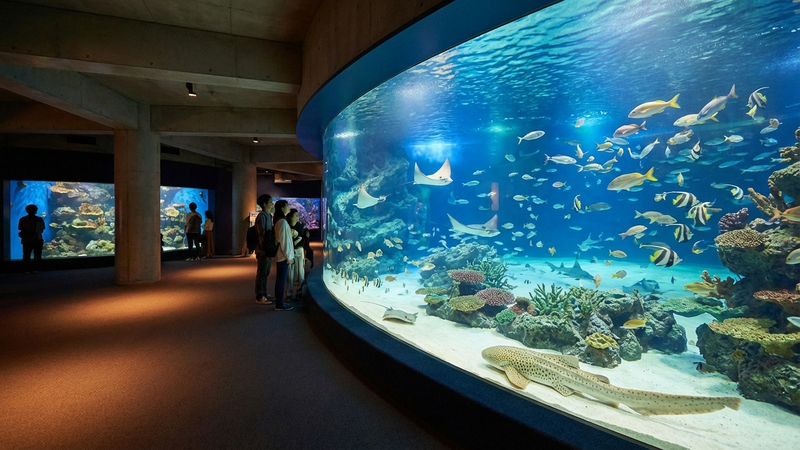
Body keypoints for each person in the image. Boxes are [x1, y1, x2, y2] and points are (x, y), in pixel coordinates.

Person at [272, 200, 295, 311]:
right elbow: (284, 242)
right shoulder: (282, 222)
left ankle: (279, 301)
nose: (288, 207)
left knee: (280, 280)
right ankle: (279, 304)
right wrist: (289, 257)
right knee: (281, 280)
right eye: (287, 205)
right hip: (283, 257)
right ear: (282, 208)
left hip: (282, 256)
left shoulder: (280, 221)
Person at [254, 194, 275, 304]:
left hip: (267, 249)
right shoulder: (262, 216)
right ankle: (260, 296)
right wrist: (264, 249)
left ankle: (264, 293)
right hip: (263, 250)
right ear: (264, 204)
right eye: (270, 201)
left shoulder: (268, 215)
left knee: (265, 273)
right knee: (262, 273)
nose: (272, 203)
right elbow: (262, 234)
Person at [18, 204, 45, 273]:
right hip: (37, 239)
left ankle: (26, 269)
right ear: (36, 211)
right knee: (37, 255)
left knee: (26, 255)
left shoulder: (22, 219)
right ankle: (36, 269)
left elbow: (20, 228)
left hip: (26, 239)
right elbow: (42, 229)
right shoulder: (39, 219)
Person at [286, 209, 305, 301]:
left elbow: (303, 239)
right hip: (290, 251)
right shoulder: (287, 226)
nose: (298, 217)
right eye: (296, 215)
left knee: (300, 272)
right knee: (290, 273)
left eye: (298, 215)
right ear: (291, 216)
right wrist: (297, 239)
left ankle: (299, 291)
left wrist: (296, 240)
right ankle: (289, 293)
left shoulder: (300, 226)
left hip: (299, 250)